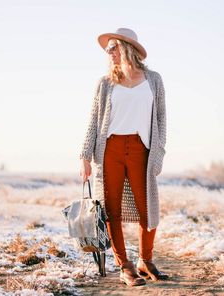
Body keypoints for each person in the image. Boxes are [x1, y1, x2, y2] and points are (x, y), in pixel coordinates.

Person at [79, 28, 168, 286]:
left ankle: (145, 260)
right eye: (108, 50)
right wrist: (84, 155)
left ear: (128, 48)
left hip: (143, 149)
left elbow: (161, 118)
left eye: (113, 47)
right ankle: (125, 266)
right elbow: (94, 121)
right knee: (111, 210)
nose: (109, 53)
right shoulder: (105, 84)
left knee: (147, 208)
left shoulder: (153, 80)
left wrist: (159, 150)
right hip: (109, 150)